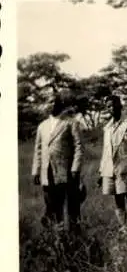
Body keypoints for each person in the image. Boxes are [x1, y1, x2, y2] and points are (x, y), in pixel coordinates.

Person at [31, 91, 83, 232]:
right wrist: (36, 170)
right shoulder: (42, 126)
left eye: (52, 102)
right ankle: (57, 235)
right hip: (47, 172)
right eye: (47, 102)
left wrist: (75, 168)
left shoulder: (71, 123)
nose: (50, 105)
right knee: (52, 204)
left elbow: (78, 147)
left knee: (72, 205)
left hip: (66, 171)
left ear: (59, 104)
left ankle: (75, 234)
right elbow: (38, 149)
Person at [97, 95, 127, 240]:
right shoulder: (108, 127)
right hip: (110, 169)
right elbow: (106, 151)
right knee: (117, 201)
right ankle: (125, 230)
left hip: (125, 167)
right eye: (108, 106)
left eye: (113, 105)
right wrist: (101, 171)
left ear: (119, 105)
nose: (111, 108)